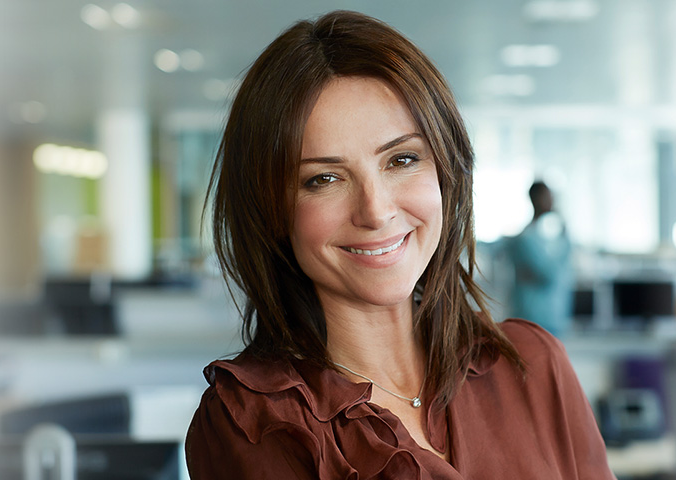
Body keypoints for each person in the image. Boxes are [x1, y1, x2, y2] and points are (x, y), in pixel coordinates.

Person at [185, 11, 612, 479]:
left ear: (446, 172)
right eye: (324, 178)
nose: (375, 211)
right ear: (271, 210)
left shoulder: (533, 365)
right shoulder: (254, 421)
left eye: (401, 159)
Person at [506, 181, 574, 337]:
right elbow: (549, 275)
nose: (552, 201)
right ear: (538, 199)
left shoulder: (540, 237)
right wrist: (565, 235)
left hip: (548, 319)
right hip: (535, 320)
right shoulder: (526, 240)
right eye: (549, 196)